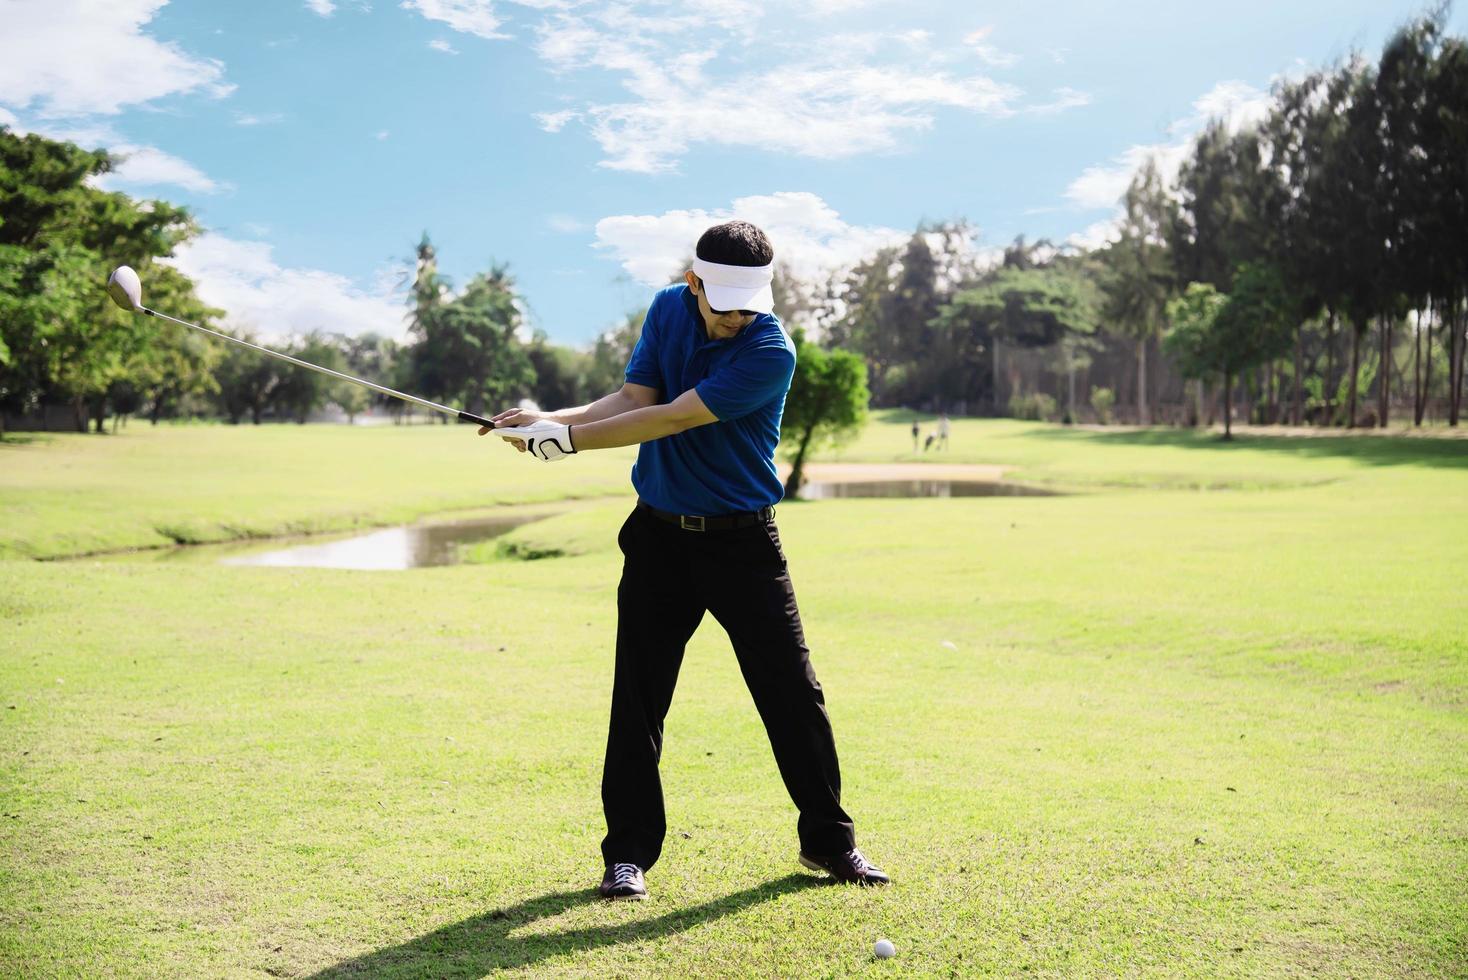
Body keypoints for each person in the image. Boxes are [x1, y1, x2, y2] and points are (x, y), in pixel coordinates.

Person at [482, 221, 888, 901]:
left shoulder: (769, 350)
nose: (732, 316)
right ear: (693, 281)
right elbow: (634, 400)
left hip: (743, 544)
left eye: (745, 303)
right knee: (638, 697)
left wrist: (570, 442)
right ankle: (627, 857)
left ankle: (830, 844)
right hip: (659, 538)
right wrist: (548, 421)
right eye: (719, 299)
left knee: (793, 694)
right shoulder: (669, 308)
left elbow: (673, 417)